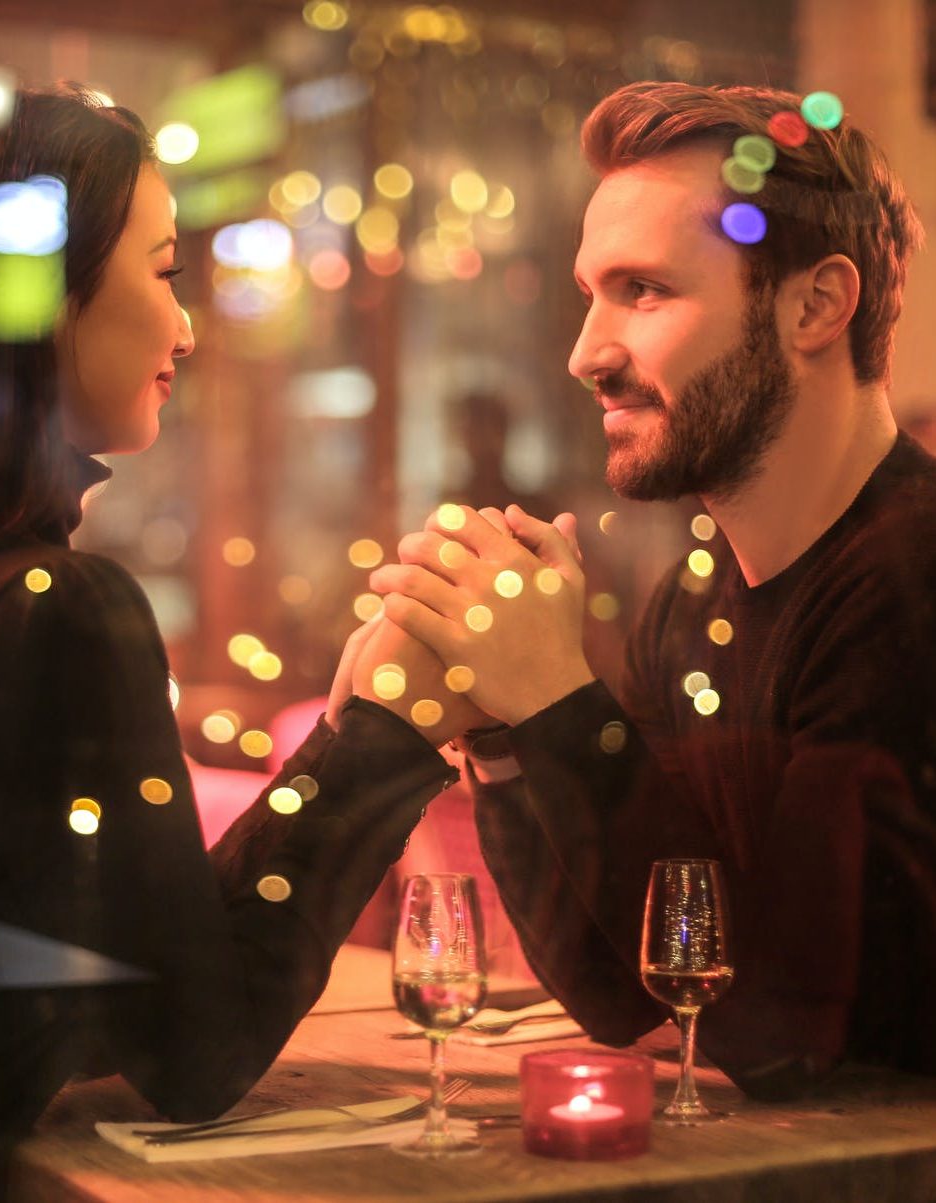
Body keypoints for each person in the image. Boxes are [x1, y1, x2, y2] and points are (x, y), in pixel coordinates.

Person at [0, 86, 474, 1199]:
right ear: (46, 302)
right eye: (163, 272)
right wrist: (386, 734)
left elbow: (123, 981)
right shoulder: (55, 609)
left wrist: (348, 738)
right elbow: (192, 1050)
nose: (189, 324)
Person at [359, 81, 936, 1099]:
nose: (588, 353)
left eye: (645, 291)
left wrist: (557, 701)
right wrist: (500, 735)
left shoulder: (912, 580)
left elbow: (790, 1036)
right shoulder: (694, 600)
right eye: (593, 294)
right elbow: (629, 995)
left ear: (815, 306)